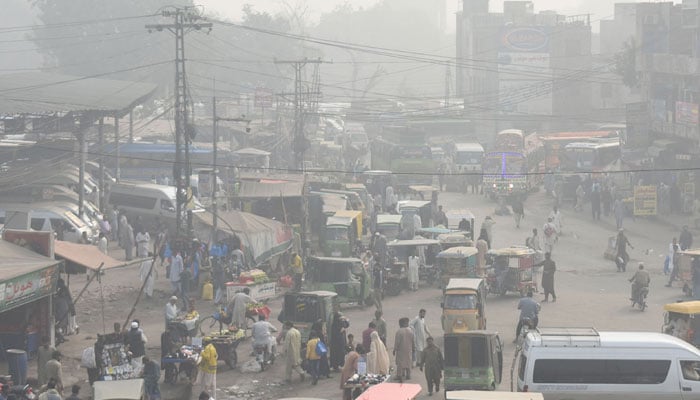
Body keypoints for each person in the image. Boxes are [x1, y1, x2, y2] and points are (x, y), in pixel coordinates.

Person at [394, 317, 414, 382]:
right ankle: (408, 375)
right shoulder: (410, 330)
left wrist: (395, 349)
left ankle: (399, 375)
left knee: (400, 363)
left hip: (401, 350)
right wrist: (413, 348)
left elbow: (397, 342)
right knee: (408, 362)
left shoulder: (399, 331)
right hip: (409, 349)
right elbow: (413, 340)